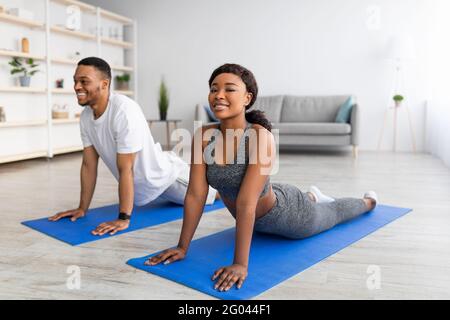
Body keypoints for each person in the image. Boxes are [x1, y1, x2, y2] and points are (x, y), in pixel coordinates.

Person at [146, 63, 378, 292]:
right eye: (214, 89)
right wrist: (182, 246)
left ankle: (368, 202)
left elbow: (247, 203)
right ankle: (313, 195)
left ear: (247, 98)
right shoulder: (204, 135)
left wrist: (240, 264)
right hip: (263, 200)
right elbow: (196, 195)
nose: (219, 95)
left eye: (229, 89)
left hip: (290, 215)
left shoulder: (260, 137)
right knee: (272, 195)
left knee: (334, 214)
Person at [48, 57, 217, 236]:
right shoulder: (86, 117)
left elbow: (126, 169)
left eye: (84, 81)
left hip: (166, 177)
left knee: (216, 193)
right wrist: (82, 208)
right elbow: (89, 165)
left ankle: (235, 176)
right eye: (75, 81)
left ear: (104, 84)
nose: (76, 87)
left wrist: (123, 218)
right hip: (145, 186)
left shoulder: (124, 111)